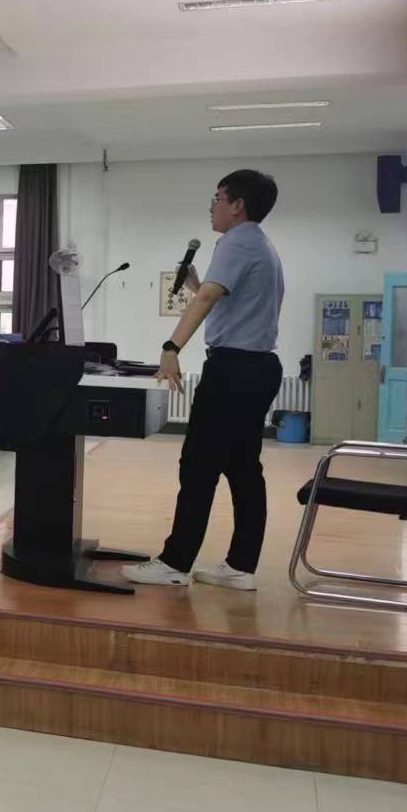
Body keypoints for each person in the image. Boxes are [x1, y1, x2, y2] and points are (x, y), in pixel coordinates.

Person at [125, 169, 286, 592]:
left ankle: (174, 562)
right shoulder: (260, 244)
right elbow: (221, 297)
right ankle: (240, 566)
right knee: (243, 468)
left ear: (237, 205)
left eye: (217, 198)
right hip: (258, 368)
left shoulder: (237, 241)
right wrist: (198, 286)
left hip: (233, 370)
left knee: (198, 465)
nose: (212, 206)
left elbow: (211, 298)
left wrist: (171, 347)